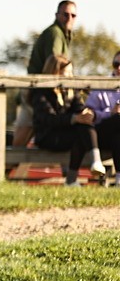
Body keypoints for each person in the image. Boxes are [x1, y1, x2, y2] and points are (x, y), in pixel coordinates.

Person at [31, 54, 105, 185]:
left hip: (66, 132)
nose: (70, 76)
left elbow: (78, 107)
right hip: (48, 136)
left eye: (72, 72)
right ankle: (73, 179)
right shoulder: (41, 91)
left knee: (84, 125)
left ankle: (95, 163)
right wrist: (74, 118)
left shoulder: (70, 89)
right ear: (55, 72)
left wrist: (85, 113)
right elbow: (48, 119)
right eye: (67, 72)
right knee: (80, 132)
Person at [14, 0, 77, 148]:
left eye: (73, 15)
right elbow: (55, 63)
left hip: (41, 91)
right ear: (57, 15)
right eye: (65, 14)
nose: (69, 18)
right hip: (38, 91)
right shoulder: (55, 33)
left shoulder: (62, 34)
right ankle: (1, 167)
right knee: (22, 137)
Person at [84, 51, 120, 184]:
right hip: (100, 133)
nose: (119, 68)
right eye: (116, 64)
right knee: (118, 119)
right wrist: (110, 114)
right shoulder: (102, 85)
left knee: (118, 137)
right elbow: (89, 114)